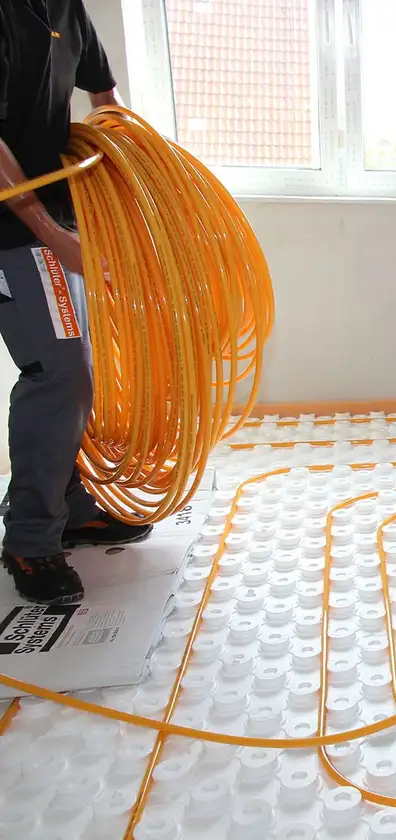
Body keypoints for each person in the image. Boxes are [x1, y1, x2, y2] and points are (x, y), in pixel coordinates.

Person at [0, 0, 151, 606]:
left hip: (59, 216)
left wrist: (134, 168)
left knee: (76, 368)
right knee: (59, 373)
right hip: (13, 232)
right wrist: (52, 235)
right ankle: (30, 541)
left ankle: (69, 504)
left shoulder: (66, 6)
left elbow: (104, 98)